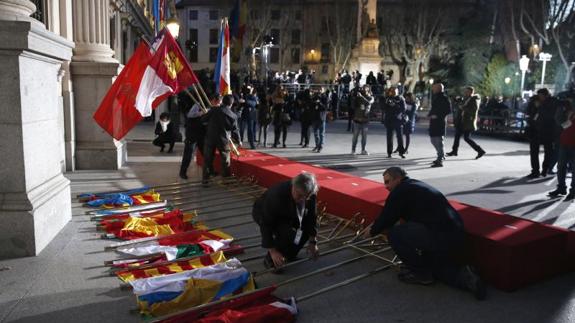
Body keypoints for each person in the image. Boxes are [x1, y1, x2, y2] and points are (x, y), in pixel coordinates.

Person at [368, 167, 486, 300]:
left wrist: (371, 231)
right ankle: (467, 279)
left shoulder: (400, 191)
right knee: (434, 267)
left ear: (398, 178)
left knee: (395, 234)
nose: (386, 186)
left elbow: (387, 217)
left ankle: (421, 274)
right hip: (455, 232)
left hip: (438, 234)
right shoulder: (415, 185)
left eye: (388, 182)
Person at [252, 172, 319, 271]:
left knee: (304, 230)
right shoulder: (276, 195)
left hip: (292, 213)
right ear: (294, 187)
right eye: (299, 195)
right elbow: (266, 224)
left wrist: (313, 242)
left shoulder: (309, 193)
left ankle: (289, 255)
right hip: (265, 214)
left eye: (305, 196)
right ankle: (271, 260)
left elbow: (312, 217)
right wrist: (272, 251)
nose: (302, 199)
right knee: (287, 233)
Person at [201, 94, 241, 185]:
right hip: (223, 140)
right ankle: (226, 181)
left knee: (207, 160)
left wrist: (206, 115)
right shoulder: (233, 115)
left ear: (222, 101)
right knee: (225, 160)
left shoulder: (213, 110)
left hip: (210, 138)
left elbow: (203, 120)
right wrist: (239, 140)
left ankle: (205, 180)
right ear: (231, 104)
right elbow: (235, 130)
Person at [446, 86, 486, 159]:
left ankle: (480, 151)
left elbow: (473, 110)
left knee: (466, 138)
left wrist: (463, 107)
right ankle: (454, 151)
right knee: (457, 135)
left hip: (468, 122)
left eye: (467, 91)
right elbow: (460, 106)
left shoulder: (474, 99)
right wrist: (456, 101)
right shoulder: (466, 99)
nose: (465, 92)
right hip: (462, 121)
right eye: (465, 91)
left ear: (471, 92)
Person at [548, 100, 575, 201]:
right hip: (564, 142)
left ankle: (573, 191)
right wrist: (562, 110)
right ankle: (561, 188)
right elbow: (561, 123)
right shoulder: (568, 113)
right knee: (561, 167)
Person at [179, 102, 205, 179]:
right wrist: (201, 112)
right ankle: (182, 172)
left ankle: (211, 170)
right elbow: (190, 114)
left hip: (201, 135)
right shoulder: (198, 104)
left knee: (206, 154)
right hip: (192, 135)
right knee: (188, 155)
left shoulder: (209, 105)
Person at [429, 83, 452, 167]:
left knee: (439, 141)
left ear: (439, 89)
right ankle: (441, 155)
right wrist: (430, 114)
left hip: (439, 122)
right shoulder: (435, 97)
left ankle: (440, 159)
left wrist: (438, 115)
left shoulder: (444, 98)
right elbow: (434, 108)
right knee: (433, 140)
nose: (433, 89)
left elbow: (448, 110)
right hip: (434, 122)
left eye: (434, 88)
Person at [382, 87, 406, 158]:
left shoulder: (401, 98)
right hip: (389, 120)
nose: (393, 92)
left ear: (397, 91)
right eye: (392, 91)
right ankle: (389, 153)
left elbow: (404, 108)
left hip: (398, 120)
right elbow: (384, 108)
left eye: (395, 91)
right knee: (389, 137)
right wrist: (387, 103)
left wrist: (395, 105)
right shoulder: (387, 99)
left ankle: (401, 152)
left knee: (400, 137)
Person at [351, 84, 374, 155]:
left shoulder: (371, 97)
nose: (364, 89)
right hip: (357, 119)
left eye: (366, 88)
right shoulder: (358, 97)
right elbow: (353, 105)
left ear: (369, 89)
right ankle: (353, 150)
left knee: (364, 137)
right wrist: (355, 96)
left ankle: (363, 150)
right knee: (355, 136)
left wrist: (362, 97)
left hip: (365, 120)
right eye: (363, 88)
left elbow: (369, 103)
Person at [311, 87, 328, 152]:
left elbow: (325, 107)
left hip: (321, 117)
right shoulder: (315, 97)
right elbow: (311, 105)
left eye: (321, 90)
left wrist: (319, 103)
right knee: (315, 133)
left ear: (323, 90)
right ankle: (317, 145)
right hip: (315, 117)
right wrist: (314, 102)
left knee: (321, 133)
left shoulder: (325, 97)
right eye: (319, 89)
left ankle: (320, 146)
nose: (319, 91)